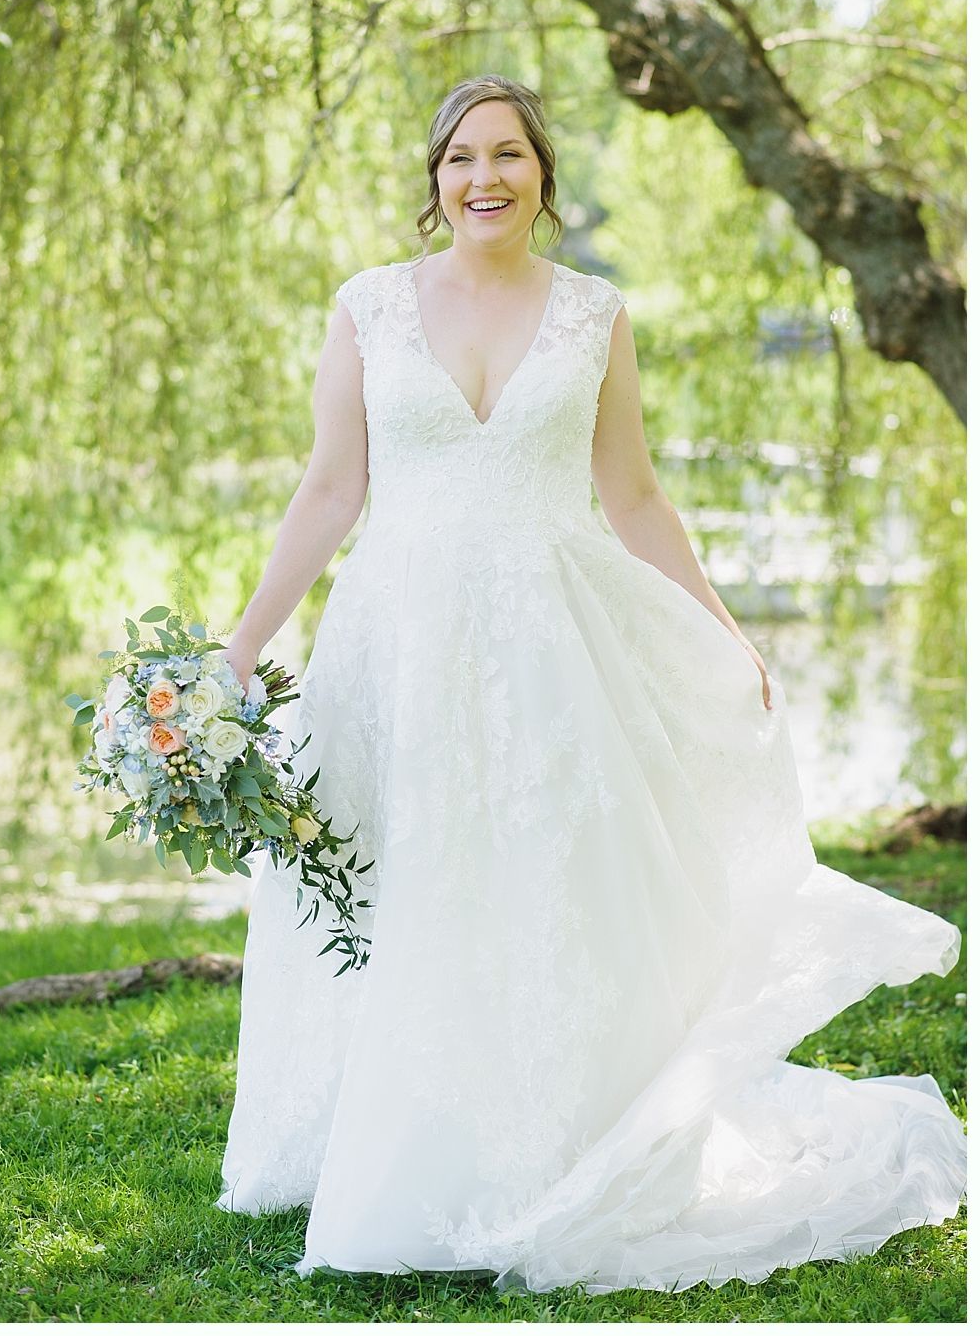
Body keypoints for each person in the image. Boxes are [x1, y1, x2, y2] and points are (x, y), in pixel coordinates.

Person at [214, 73, 965, 1295]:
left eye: (508, 155)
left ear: (542, 178)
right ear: (434, 179)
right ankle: (387, 1135)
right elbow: (329, 490)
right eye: (461, 158)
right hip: (396, 638)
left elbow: (633, 497)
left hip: (549, 640)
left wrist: (725, 629)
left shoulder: (592, 313)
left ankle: (547, 1135)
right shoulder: (367, 309)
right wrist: (243, 643)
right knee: (398, 882)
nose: (484, 178)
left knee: (538, 879)